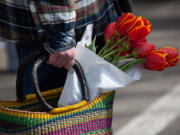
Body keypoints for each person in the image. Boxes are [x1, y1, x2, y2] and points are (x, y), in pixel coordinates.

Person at [0, 0, 132, 100]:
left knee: (88, 118)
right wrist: (60, 35)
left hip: (75, 20)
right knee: (54, 119)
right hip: (55, 26)